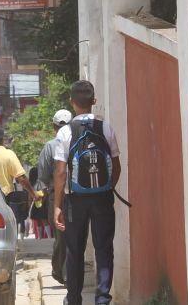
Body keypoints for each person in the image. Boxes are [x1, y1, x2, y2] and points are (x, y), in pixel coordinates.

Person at [53, 81, 121, 305]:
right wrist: (107, 188)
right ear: (94, 101)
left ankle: (74, 299)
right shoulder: (106, 128)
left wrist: (57, 206)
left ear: (72, 102)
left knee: (75, 251)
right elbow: (116, 165)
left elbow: (61, 172)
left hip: (75, 200)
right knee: (103, 249)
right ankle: (102, 299)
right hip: (102, 197)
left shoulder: (65, 132)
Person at [37, 109, 73, 284]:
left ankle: (61, 272)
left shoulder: (50, 146)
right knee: (75, 235)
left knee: (61, 235)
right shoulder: (79, 140)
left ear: (54, 126)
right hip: (78, 196)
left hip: (57, 196)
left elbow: (43, 176)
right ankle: (68, 272)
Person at [0, 127, 36, 227]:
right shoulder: (9, 155)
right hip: (5, 199)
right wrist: (33, 194)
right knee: (7, 226)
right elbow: (21, 178)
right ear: (2, 139)